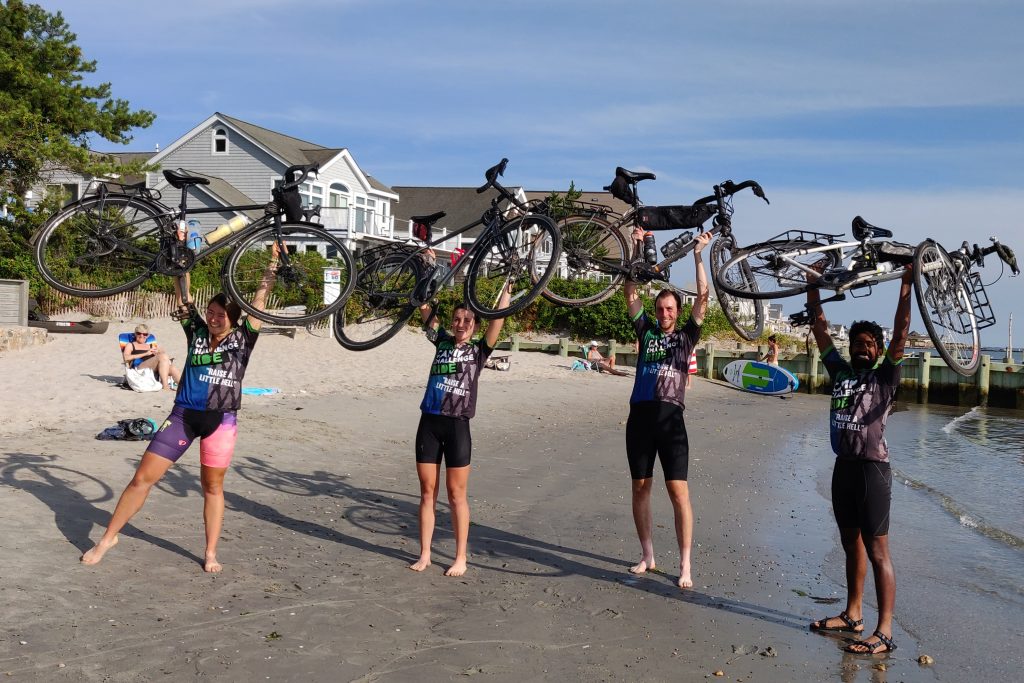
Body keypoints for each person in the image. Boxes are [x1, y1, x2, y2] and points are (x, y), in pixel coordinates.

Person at [81, 247, 279, 572]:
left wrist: (271, 263)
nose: (214, 318)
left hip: (221, 421)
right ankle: (107, 539)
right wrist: (179, 251)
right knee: (142, 478)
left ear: (234, 319)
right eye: (211, 312)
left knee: (212, 487)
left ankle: (211, 552)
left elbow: (260, 299)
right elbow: (182, 294)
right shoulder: (198, 332)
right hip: (183, 416)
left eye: (220, 315)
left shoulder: (244, 338)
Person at [806, 266, 913, 655]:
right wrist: (812, 289)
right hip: (843, 469)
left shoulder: (886, 376)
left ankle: (884, 632)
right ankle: (854, 615)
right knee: (850, 545)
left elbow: (902, 331)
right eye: (857, 343)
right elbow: (820, 332)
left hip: (872, 472)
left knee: (878, 549)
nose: (862, 348)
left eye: (869, 344)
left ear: (879, 348)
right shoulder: (840, 371)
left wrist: (906, 284)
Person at [622, 228, 712, 590]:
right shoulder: (645, 331)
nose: (664, 312)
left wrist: (698, 255)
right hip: (640, 418)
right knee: (640, 488)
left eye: (670, 308)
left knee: (678, 492)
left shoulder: (687, 335)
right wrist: (635, 245)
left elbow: (703, 298)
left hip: (672, 421)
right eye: (660, 308)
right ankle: (647, 554)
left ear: (677, 310)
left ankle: (685, 564)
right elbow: (629, 291)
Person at [409, 287, 511, 577]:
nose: (461, 324)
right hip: (429, 422)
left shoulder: (479, 351)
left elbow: (498, 322)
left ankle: (460, 557)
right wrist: (424, 270)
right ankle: (426, 553)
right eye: (457, 319)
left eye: (468, 321)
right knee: (427, 492)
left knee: (456, 495)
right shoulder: (441, 342)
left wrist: (505, 291)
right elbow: (425, 309)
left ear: (475, 326)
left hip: (457, 426)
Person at [123, 324, 181, 390]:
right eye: (139, 333)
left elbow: (164, 356)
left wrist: (159, 352)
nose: (141, 336)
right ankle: (165, 386)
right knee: (162, 356)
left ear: (148, 335)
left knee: (172, 368)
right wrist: (146, 354)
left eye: (144, 334)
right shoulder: (131, 345)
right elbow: (126, 358)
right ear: (135, 334)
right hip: (139, 368)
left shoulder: (151, 346)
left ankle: (184, 388)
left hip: (152, 369)